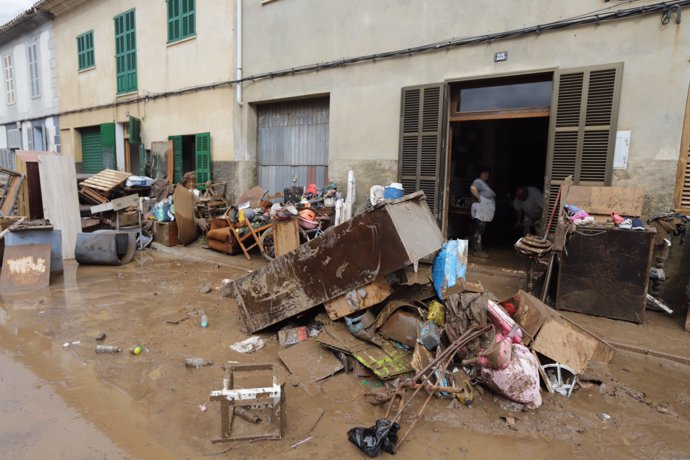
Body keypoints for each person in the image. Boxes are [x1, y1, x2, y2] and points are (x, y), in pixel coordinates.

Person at [469, 167, 495, 257]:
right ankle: (477, 250)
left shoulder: (483, 183)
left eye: (488, 174)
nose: (487, 175)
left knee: (478, 230)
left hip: (483, 210)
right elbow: (473, 188)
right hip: (481, 210)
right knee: (479, 231)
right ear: (480, 174)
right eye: (485, 173)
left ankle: (474, 249)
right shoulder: (478, 181)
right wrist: (479, 198)